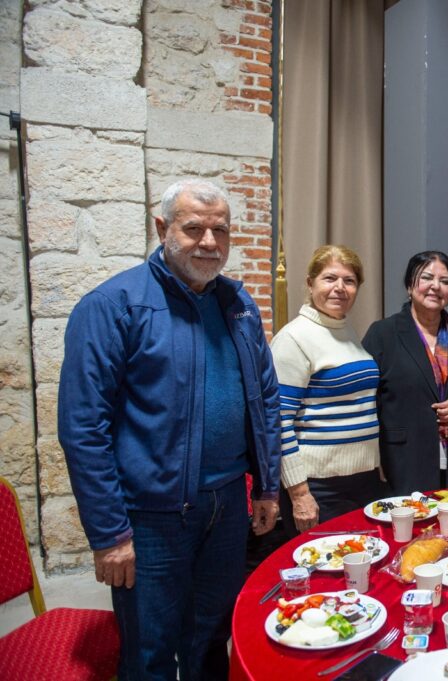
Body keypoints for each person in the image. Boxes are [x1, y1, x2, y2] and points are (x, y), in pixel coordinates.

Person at [57, 179, 280, 680]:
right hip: (151, 516)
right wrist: (110, 534)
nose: (208, 242)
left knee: (210, 636)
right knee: (150, 651)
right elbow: (82, 428)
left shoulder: (237, 306)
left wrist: (266, 485)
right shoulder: (113, 305)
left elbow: (264, 399)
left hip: (226, 506)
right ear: (162, 228)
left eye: (220, 230)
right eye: (194, 228)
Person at [270, 245, 386, 536]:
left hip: (363, 480)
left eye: (349, 280)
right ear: (310, 284)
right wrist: (298, 493)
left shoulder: (345, 331)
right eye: (329, 278)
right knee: (326, 575)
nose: (340, 288)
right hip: (319, 487)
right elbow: (278, 421)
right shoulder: (293, 338)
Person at [363, 252, 448, 492]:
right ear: (409, 285)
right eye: (426, 278)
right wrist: (373, 457)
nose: (436, 287)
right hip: (402, 460)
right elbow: (365, 400)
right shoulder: (383, 334)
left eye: (445, 281)